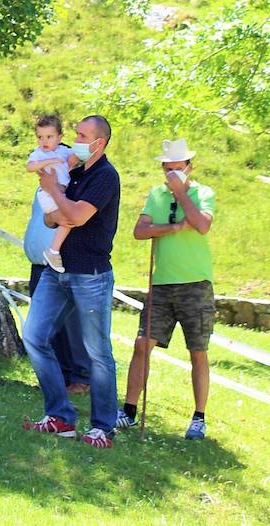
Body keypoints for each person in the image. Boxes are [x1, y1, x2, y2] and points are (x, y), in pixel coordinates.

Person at [22, 114, 120, 447]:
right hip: (56, 271)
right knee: (34, 336)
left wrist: (53, 191)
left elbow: (77, 216)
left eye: (81, 135)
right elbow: (52, 218)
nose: (74, 140)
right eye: (76, 133)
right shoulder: (73, 172)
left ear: (99, 142)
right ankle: (60, 416)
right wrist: (62, 204)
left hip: (90, 275)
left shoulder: (106, 176)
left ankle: (103, 427)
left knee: (97, 352)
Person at [115, 139, 216, 440]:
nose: (172, 174)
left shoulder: (203, 193)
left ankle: (199, 417)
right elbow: (139, 231)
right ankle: (129, 411)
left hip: (195, 283)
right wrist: (172, 228)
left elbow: (201, 225)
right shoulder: (156, 195)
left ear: (189, 167)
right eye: (168, 169)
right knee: (142, 343)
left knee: (197, 350)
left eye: (178, 169)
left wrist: (181, 193)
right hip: (161, 284)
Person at [22, 193, 90, 394]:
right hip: (39, 266)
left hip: (63, 267)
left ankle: (81, 377)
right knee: (47, 327)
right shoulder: (41, 190)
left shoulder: (69, 185)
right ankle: (58, 375)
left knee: (71, 326)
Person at [25, 114, 77, 272]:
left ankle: (53, 250)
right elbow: (30, 166)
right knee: (67, 220)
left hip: (62, 191)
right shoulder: (39, 154)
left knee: (69, 220)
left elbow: (76, 157)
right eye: (40, 137)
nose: (44, 141)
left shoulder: (64, 151)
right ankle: (53, 251)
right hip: (48, 193)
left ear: (59, 137)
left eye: (49, 137)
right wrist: (49, 161)